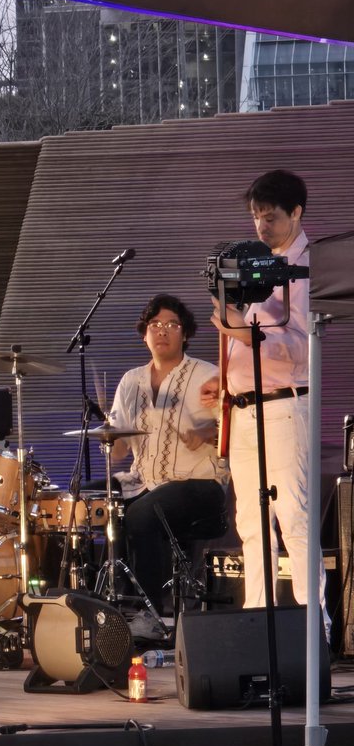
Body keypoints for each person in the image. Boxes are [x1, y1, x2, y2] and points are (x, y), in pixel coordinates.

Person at [201, 169, 327, 627]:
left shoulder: (306, 267)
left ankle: (315, 630)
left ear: (296, 212)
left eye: (270, 216)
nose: (261, 227)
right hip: (246, 407)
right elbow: (251, 340)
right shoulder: (259, 263)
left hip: (285, 404)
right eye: (256, 217)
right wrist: (227, 377)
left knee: (293, 515)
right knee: (251, 524)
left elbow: (299, 347)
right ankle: (257, 624)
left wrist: (236, 326)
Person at [109, 294, 228, 618]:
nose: (162, 331)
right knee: (91, 501)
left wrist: (207, 433)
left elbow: (239, 424)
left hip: (200, 483)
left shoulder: (208, 375)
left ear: (185, 333)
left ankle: (154, 614)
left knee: (143, 514)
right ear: (145, 333)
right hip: (143, 480)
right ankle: (113, 605)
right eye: (155, 325)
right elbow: (117, 447)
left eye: (171, 324)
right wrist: (109, 438)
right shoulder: (131, 381)